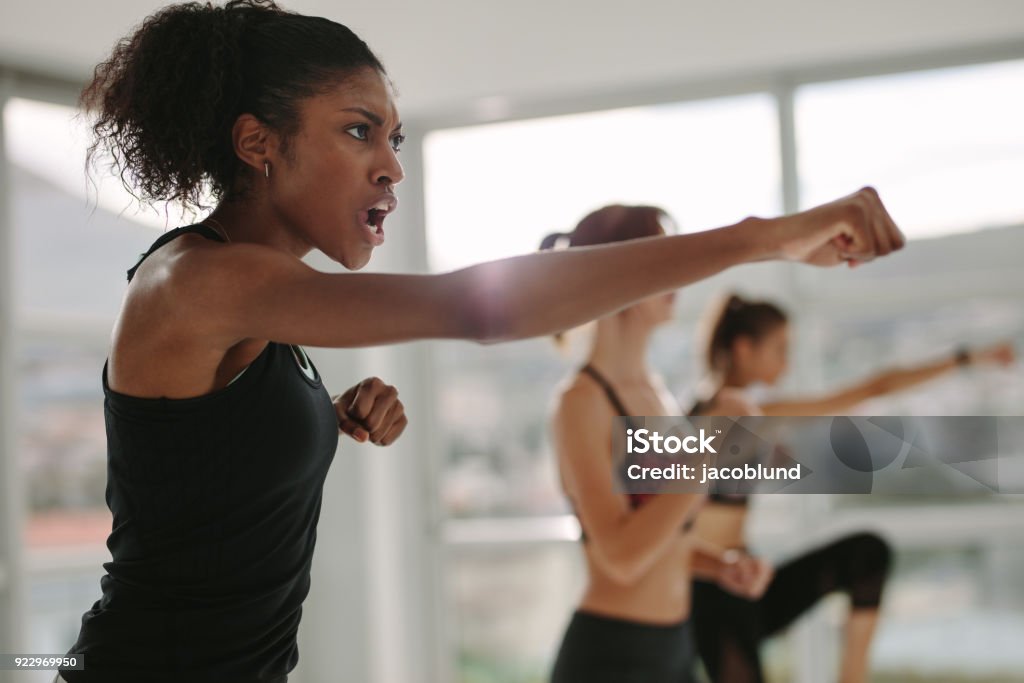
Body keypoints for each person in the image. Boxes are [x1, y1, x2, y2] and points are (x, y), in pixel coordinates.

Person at [59, 0, 905, 680]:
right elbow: (479, 309)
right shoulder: (196, 281)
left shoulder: (269, 307)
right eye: (359, 130)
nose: (391, 164)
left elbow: (198, 478)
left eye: (395, 137)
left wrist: (327, 414)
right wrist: (759, 236)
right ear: (258, 145)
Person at [688, 293, 1015, 683]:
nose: (787, 362)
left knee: (866, 555)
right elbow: (870, 388)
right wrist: (963, 359)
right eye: (780, 349)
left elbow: (871, 390)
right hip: (710, 595)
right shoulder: (728, 414)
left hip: (746, 584)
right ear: (744, 349)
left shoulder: (746, 415)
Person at [543, 206, 774, 683]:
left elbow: (661, 533)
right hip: (612, 656)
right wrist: (712, 450)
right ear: (616, 273)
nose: (678, 275)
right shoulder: (581, 402)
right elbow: (621, 556)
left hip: (675, 646)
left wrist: (721, 564)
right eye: (660, 259)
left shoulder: (655, 390)